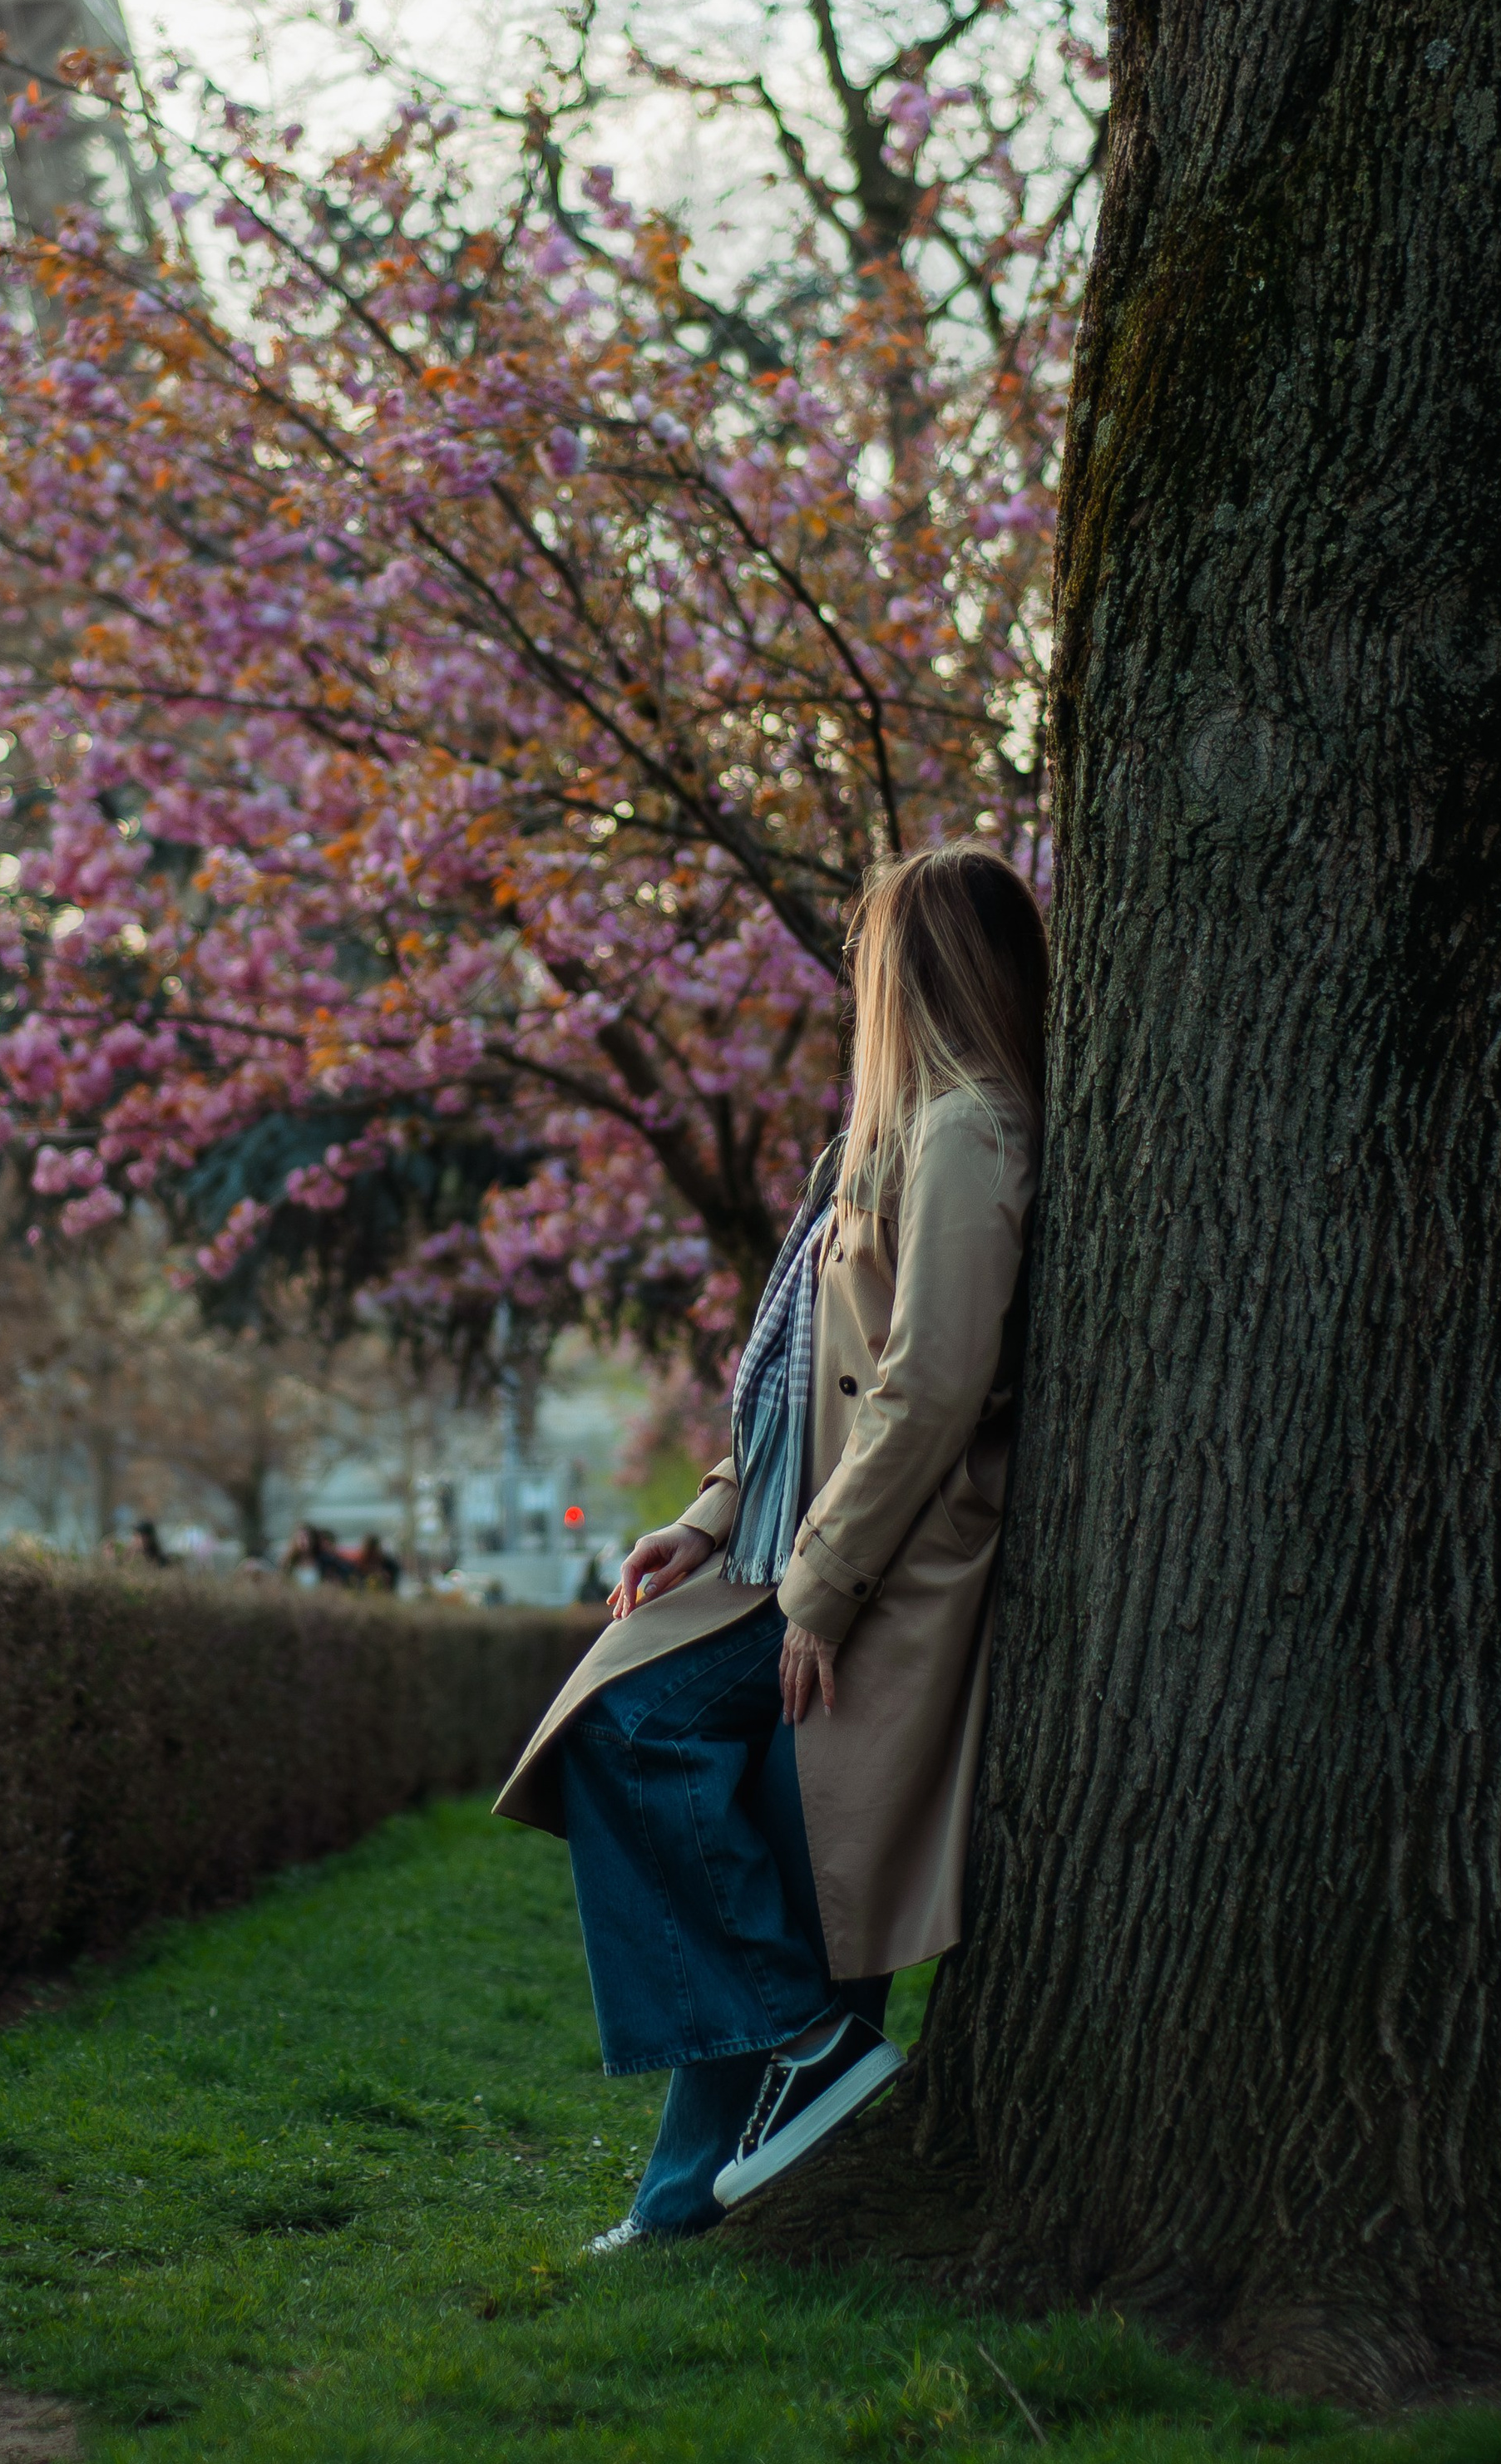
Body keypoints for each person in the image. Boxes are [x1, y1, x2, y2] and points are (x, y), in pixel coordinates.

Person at [494, 842, 1047, 2248]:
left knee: (641, 1736)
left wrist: (820, 1590)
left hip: (876, 1566)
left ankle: (804, 2049)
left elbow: (930, 1383)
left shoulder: (969, 1129)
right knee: (746, 1862)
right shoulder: (876, 1141)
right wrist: (698, 1521)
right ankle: (689, 2190)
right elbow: (800, 1380)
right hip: (785, 1546)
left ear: (908, 973)